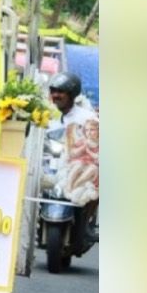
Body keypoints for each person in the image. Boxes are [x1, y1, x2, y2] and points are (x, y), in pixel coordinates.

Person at [48, 71, 100, 208]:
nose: (55, 95)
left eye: (61, 92)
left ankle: (86, 223)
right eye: (53, 91)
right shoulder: (45, 115)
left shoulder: (87, 117)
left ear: (72, 94)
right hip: (51, 165)